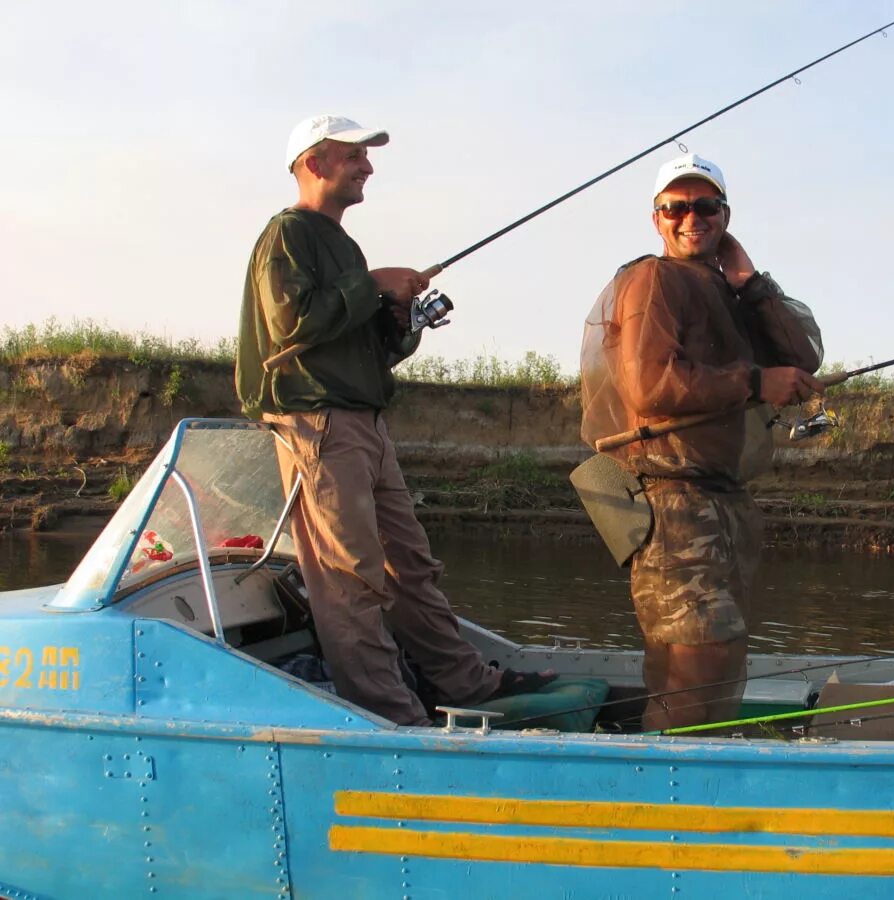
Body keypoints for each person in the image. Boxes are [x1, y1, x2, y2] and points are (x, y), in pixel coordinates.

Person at [235, 114, 553, 726]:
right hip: (317, 425)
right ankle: (391, 716)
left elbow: (367, 350)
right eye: (354, 156)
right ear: (315, 162)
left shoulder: (341, 245)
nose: (368, 167)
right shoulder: (289, 233)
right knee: (347, 580)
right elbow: (291, 325)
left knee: (410, 565)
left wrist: (399, 316)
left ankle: (465, 682)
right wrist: (373, 282)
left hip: (364, 423)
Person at [580, 153, 825, 731]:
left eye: (706, 206)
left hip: (721, 499)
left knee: (717, 655)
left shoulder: (731, 292)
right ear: (657, 218)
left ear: (725, 215)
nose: (692, 217)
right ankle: (665, 787)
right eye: (677, 207)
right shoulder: (653, 279)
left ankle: (691, 777)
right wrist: (754, 382)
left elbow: (803, 356)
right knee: (698, 654)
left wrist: (748, 280)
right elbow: (649, 382)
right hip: (671, 497)